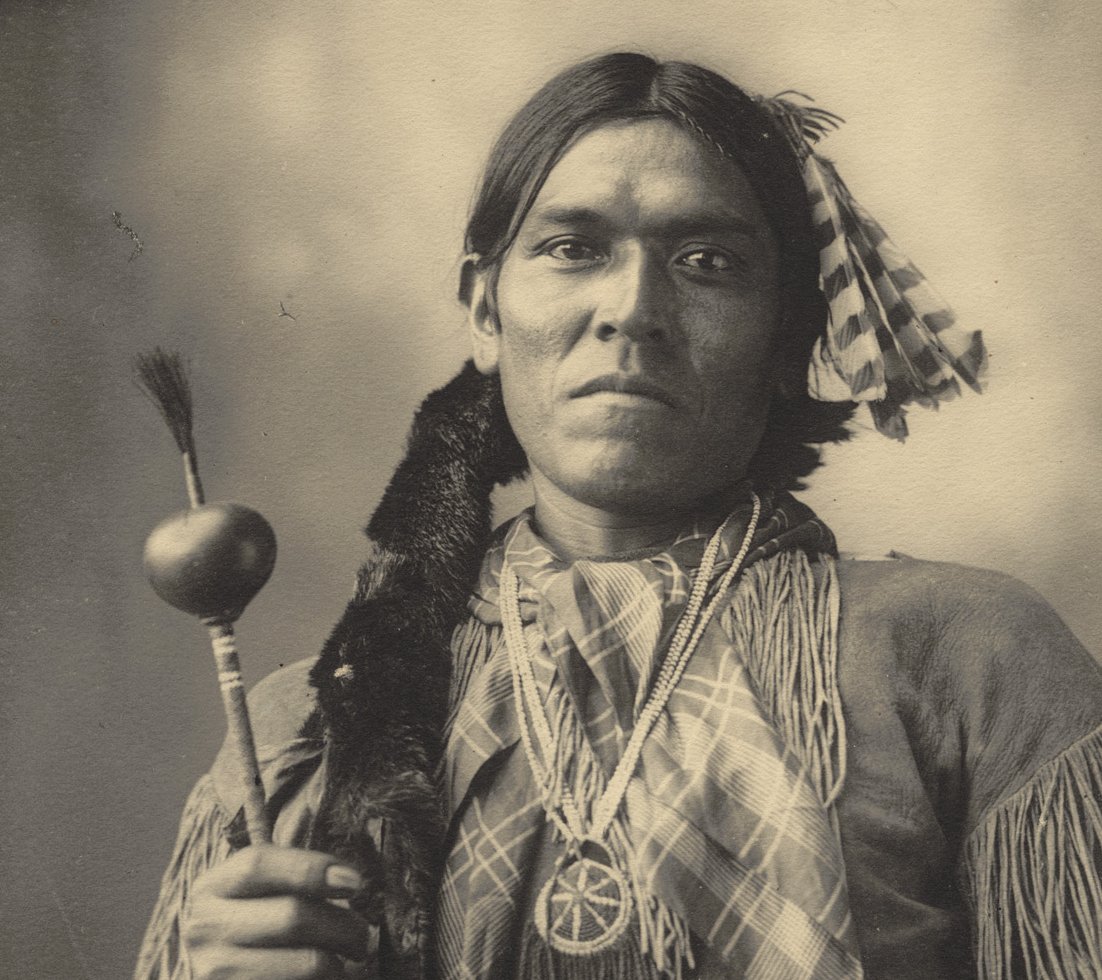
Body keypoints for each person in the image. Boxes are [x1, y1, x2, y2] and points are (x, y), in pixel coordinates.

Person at [135, 53, 1102, 980]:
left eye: (708, 261)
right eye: (572, 249)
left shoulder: (972, 661)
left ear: (788, 337)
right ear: (484, 309)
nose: (632, 308)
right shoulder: (308, 729)